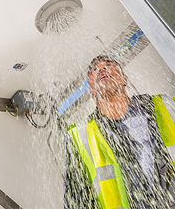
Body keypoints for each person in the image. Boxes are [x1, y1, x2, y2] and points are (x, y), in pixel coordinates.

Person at [63, 55, 175, 209]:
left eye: (108, 64)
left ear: (124, 80)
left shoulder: (165, 105)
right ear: (92, 91)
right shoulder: (79, 135)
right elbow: (76, 199)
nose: (101, 68)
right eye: (94, 69)